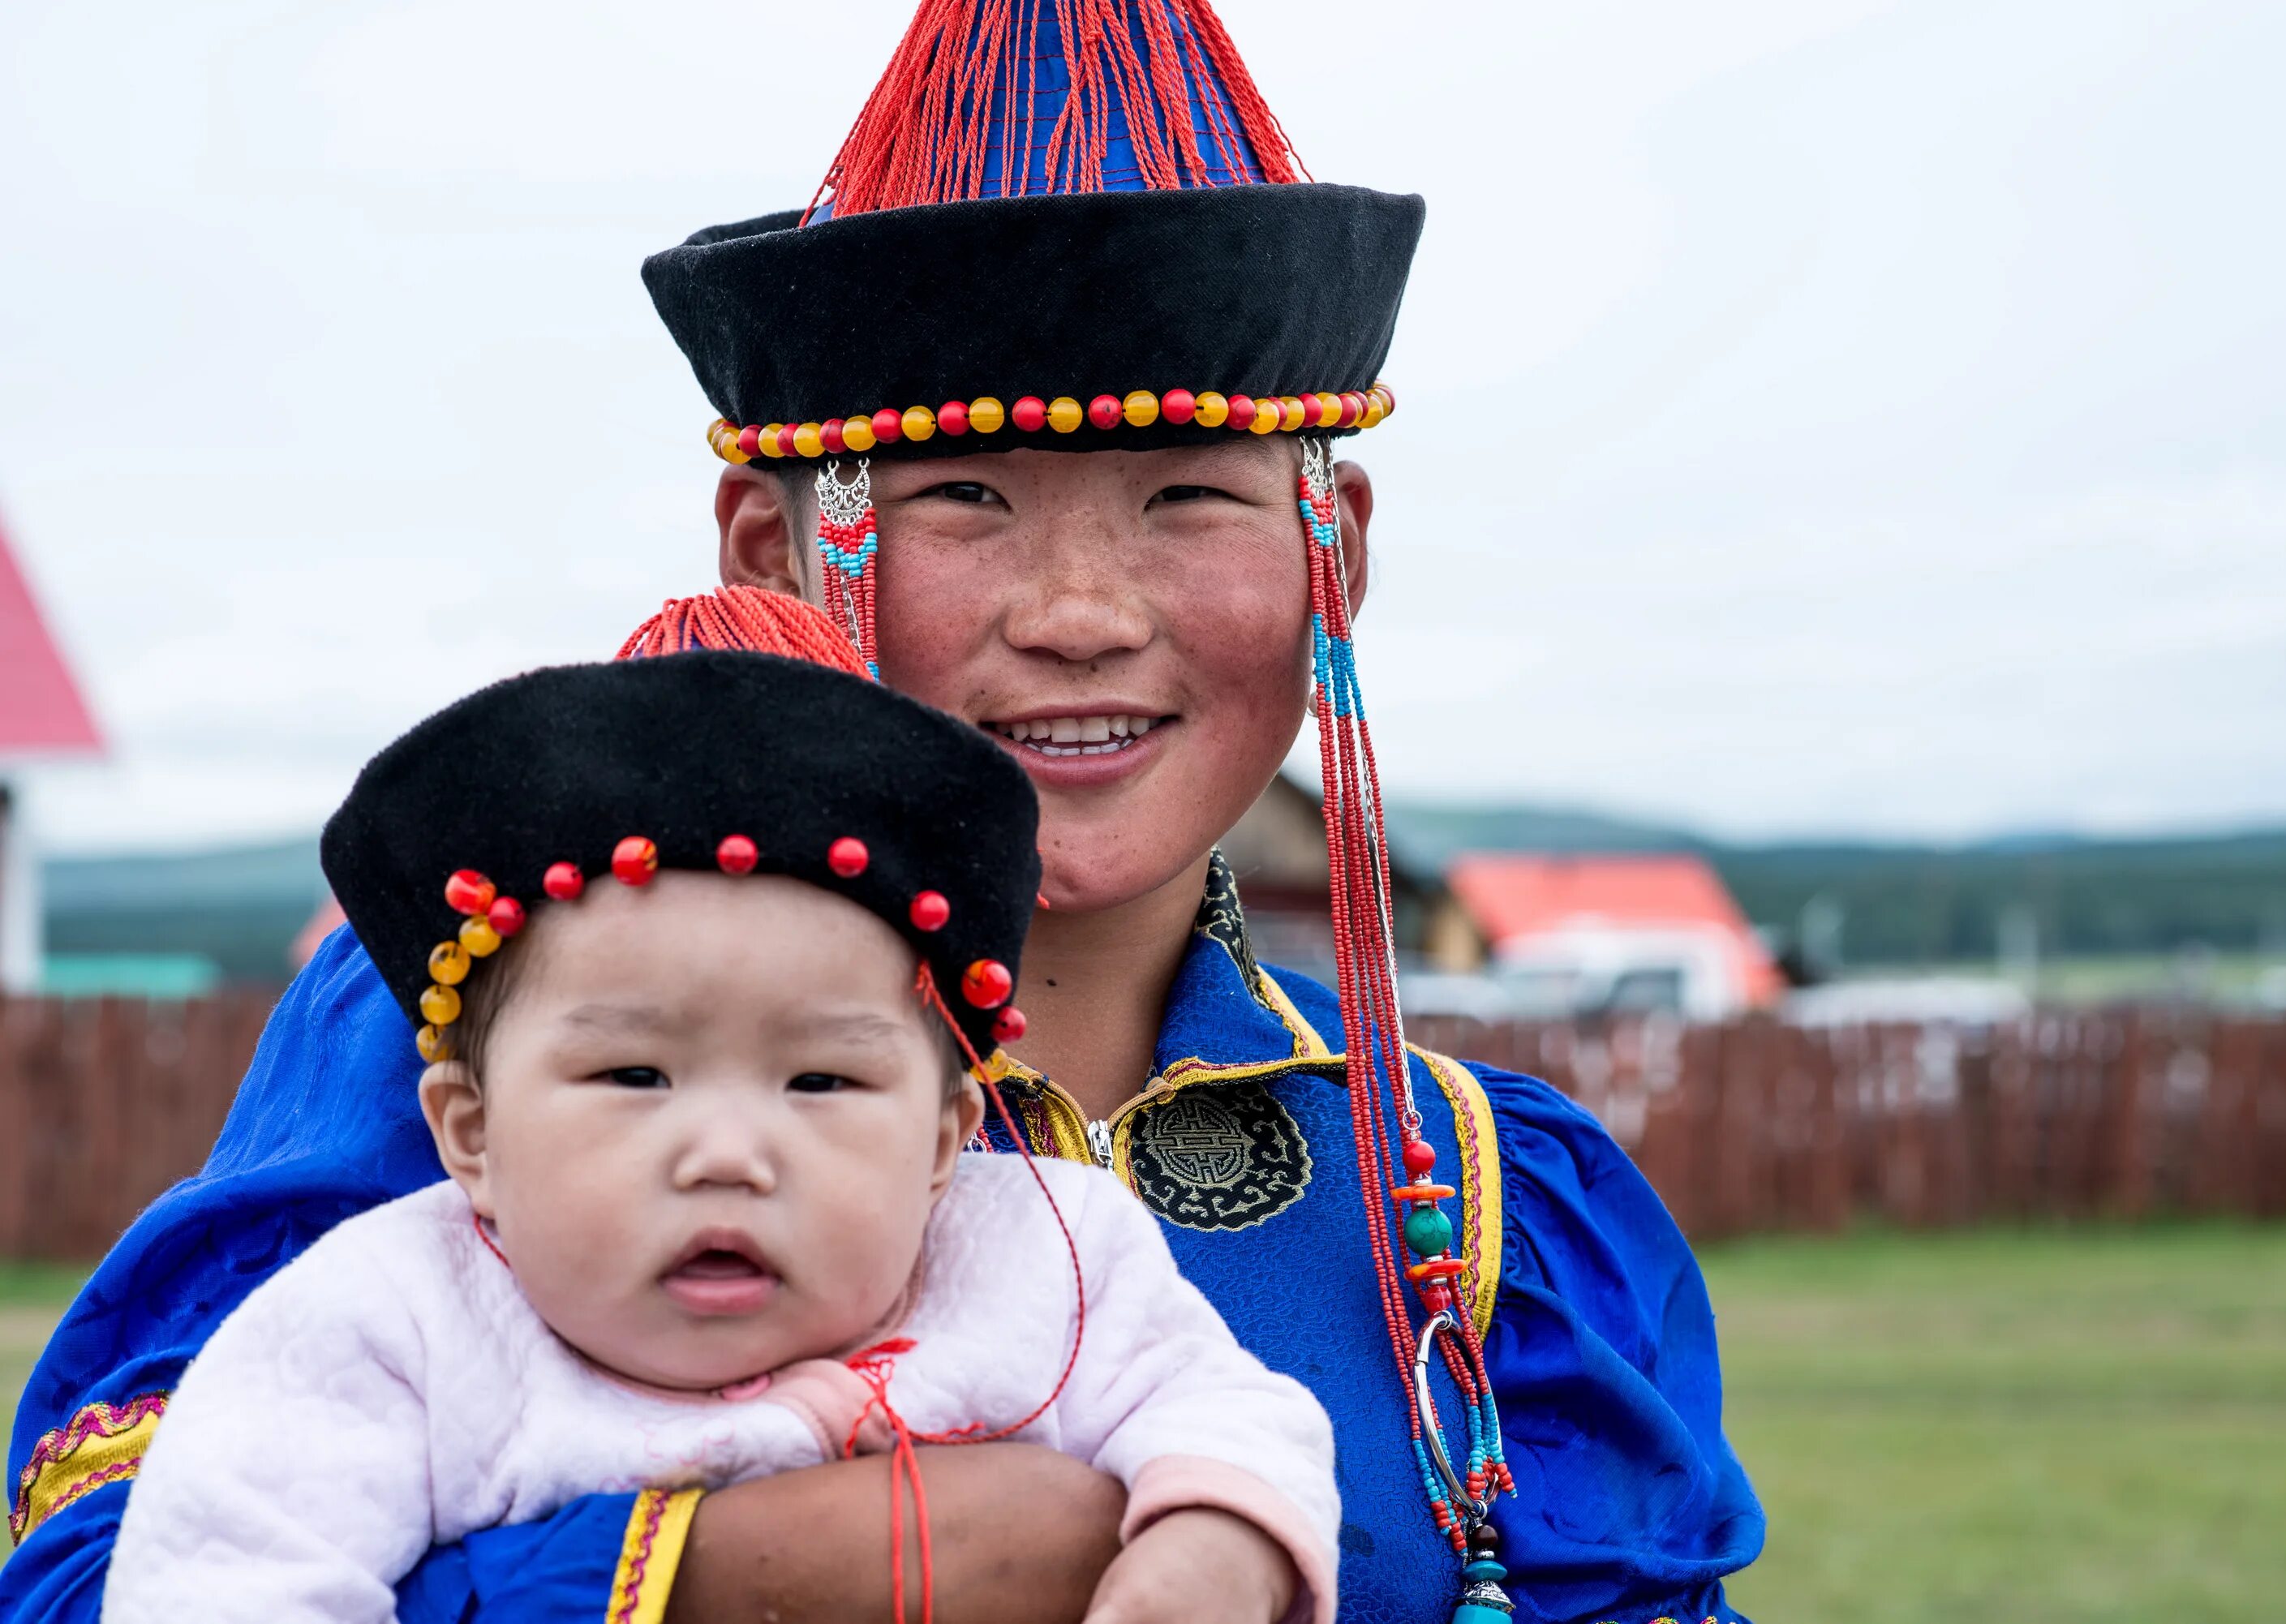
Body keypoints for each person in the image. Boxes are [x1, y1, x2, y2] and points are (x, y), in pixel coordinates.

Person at [4, 5, 1764, 1622]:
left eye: (1186, 494)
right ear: (770, 550)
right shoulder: (495, 1034)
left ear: (1339, 553)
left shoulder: (1474, 1208)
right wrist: (740, 1568)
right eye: (969, 493)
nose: (1082, 608)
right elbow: (105, 1564)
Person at [100, 642, 1337, 1624]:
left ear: (949, 1137)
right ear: (469, 1133)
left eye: (821, 1083)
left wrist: (1213, 1549)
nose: (730, 1152)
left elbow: (1236, 1414)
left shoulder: (1044, 1261)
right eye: (637, 1073)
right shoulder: (393, 1329)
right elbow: (226, 1576)